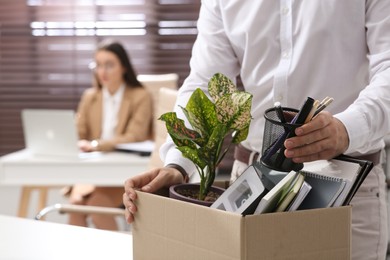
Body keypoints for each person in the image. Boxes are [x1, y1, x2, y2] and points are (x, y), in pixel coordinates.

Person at [123, 1, 390, 259]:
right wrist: (179, 164)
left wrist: (347, 128)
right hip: (251, 188)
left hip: (347, 187)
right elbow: (205, 85)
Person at [66, 39, 153, 230]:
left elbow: (135, 135)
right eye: (98, 65)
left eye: (109, 65)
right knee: (76, 205)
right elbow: (78, 133)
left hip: (123, 173)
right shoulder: (90, 97)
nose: (102, 71)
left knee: (97, 204)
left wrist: (97, 145)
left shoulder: (140, 95)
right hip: (92, 171)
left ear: (123, 67)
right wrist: (74, 139)